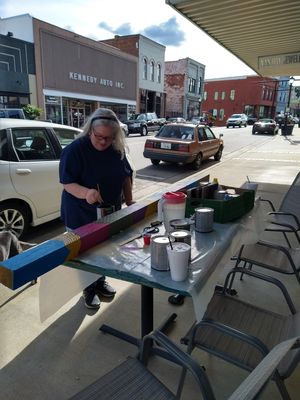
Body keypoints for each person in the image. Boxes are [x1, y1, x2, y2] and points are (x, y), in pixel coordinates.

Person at [59, 108, 135, 310]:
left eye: (108, 138)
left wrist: (130, 200)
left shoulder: (116, 149)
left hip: (109, 212)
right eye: (98, 136)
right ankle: (88, 289)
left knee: (103, 250)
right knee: (84, 253)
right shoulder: (75, 150)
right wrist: (86, 193)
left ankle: (99, 282)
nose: (103, 142)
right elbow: (67, 183)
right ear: (89, 130)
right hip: (79, 212)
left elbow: (125, 176)